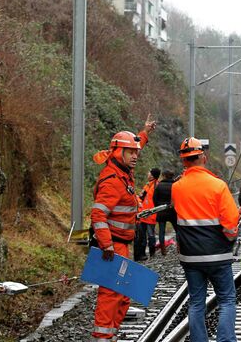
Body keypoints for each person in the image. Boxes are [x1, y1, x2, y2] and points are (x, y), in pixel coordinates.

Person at [89, 115, 156, 342]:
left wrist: (144, 133)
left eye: (137, 151)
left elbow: (132, 146)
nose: (136, 155)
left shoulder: (123, 173)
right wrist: (106, 245)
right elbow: (98, 214)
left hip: (121, 245)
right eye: (131, 152)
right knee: (111, 294)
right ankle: (102, 337)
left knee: (124, 294)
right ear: (120, 154)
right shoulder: (112, 181)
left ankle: (111, 335)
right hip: (113, 247)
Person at [171, 137, 239, 342]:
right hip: (218, 256)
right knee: (227, 299)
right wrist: (230, 239)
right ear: (204, 157)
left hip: (191, 257)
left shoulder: (177, 188)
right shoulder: (218, 186)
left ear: (184, 161)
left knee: (196, 302)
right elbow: (230, 224)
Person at [135, 168, 160, 261]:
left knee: (150, 235)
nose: (147, 174)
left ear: (152, 175)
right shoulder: (148, 185)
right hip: (143, 214)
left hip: (151, 215)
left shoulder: (156, 186)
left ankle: (152, 253)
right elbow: (142, 196)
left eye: (149, 173)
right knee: (143, 236)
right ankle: (143, 254)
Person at [153, 169, 177, 255]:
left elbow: (154, 198)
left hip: (161, 210)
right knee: (177, 230)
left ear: (164, 176)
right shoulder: (175, 185)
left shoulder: (159, 186)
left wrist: (158, 207)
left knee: (161, 231)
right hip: (173, 211)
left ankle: (163, 250)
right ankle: (179, 248)